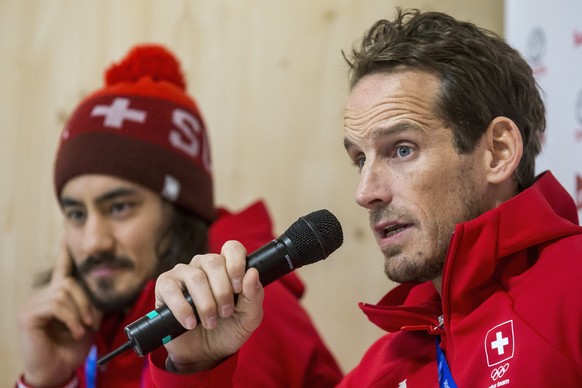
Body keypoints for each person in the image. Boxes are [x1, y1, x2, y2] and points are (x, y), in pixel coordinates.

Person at [147, 8, 582, 387]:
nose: (366, 193)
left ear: (498, 152)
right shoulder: (386, 365)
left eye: (402, 149)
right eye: (360, 159)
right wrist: (196, 367)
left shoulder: (572, 286)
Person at [16, 44, 342, 388]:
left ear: (180, 212)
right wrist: (48, 381)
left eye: (119, 207)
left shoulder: (242, 304)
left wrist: (197, 368)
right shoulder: (102, 315)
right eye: (76, 213)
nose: (94, 241)